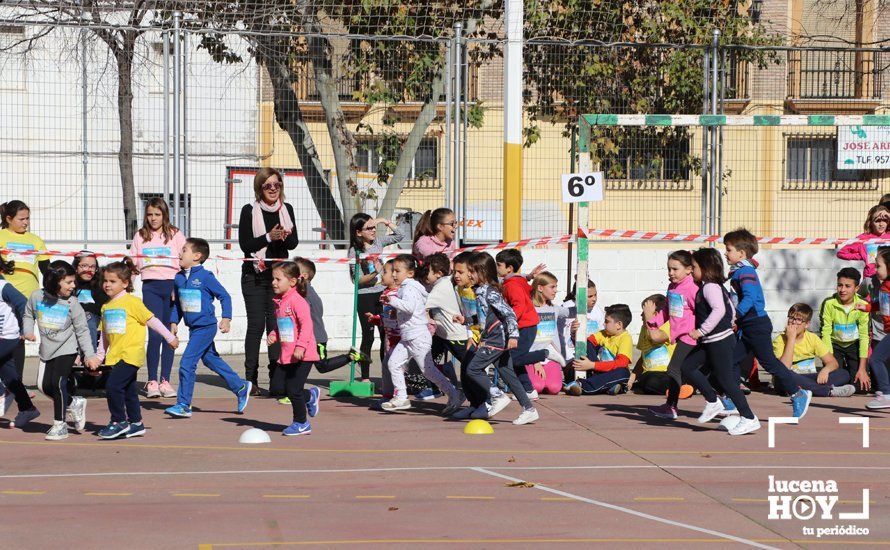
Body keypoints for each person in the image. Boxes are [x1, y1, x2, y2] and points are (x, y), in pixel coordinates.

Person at [664, 248, 760, 435]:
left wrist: (701, 331)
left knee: (726, 381)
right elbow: (730, 309)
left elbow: (719, 310)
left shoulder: (710, 287)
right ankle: (713, 401)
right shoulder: (708, 286)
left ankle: (749, 417)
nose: (692, 270)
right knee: (687, 367)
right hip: (711, 341)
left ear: (705, 267)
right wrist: (731, 322)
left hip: (719, 341)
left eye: (695, 267)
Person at [724, 228, 812, 418]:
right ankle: (731, 399)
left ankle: (798, 393)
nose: (725, 253)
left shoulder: (745, 272)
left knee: (769, 363)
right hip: (748, 326)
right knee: (731, 359)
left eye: (729, 249)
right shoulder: (739, 272)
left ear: (741, 253)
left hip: (756, 325)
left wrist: (735, 316)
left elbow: (749, 297)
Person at [165, 238, 251, 419]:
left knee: (187, 363)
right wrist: (174, 323)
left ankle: (183, 404)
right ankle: (241, 386)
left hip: (206, 327)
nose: (180, 253)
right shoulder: (178, 278)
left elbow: (225, 296)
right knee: (211, 360)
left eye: (184, 250)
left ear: (197, 256)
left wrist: (226, 318)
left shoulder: (205, 277)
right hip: (193, 328)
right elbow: (178, 306)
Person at [95, 258, 179, 439]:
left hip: (130, 354)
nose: (107, 285)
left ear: (125, 283)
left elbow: (153, 320)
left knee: (113, 386)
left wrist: (169, 337)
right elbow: (104, 336)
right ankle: (136, 423)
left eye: (112, 281)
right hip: (115, 356)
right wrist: (99, 356)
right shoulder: (106, 307)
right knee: (128, 390)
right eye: (105, 281)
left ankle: (118, 421)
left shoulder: (132, 302)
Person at [451, 253, 538, 424]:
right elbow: (485, 316)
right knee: (508, 374)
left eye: (472, 272)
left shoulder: (490, 292)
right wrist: (466, 320)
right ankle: (529, 409)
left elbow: (509, 313)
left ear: (482, 272)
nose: (469, 275)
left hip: (496, 339)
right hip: (494, 337)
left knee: (473, 369)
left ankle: (497, 396)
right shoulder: (480, 291)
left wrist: (513, 335)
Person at [23, 261, 101, 440]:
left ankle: (60, 425)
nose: (73, 286)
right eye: (69, 282)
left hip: (67, 347)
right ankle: (74, 402)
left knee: (58, 383)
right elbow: (28, 314)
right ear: (54, 281)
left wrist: (89, 355)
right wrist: (27, 331)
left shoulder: (72, 303)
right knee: (44, 386)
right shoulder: (36, 297)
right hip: (47, 348)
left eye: (74, 282)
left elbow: (82, 330)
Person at [239, 168, 298, 397]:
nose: (273, 189)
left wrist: (284, 235)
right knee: (256, 327)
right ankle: (250, 380)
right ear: (260, 188)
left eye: (277, 184)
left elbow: (293, 243)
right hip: (254, 275)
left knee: (277, 326)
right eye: (268, 185)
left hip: (279, 277)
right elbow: (246, 244)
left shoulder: (287, 210)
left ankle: (277, 378)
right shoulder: (249, 211)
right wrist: (267, 237)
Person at [379, 254, 463, 414]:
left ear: (410, 273)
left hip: (418, 336)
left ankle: (454, 393)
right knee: (393, 363)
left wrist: (392, 301)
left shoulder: (409, 287)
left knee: (428, 371)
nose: (394, 274)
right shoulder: (406, 287)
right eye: (393, 271)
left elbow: (409, 307)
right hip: (408, 337)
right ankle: (401, 397)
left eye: (397, 271)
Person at [131, 197, 186, 398]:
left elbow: (185, 259)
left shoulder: (175, 234)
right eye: (150, 214)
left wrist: (180, 285)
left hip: (171, 287)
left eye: (157, 214)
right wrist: (127, 284)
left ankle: (165, 381)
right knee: (154, 334)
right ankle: (152, 381)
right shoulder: (140, 236)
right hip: (151, 288)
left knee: (169, 333)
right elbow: (133, 264)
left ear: (164, 215)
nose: (153, 218)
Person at [347, 213, 405, 382]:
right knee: (368, 335)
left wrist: (384, 221)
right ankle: (365, 376)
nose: (373, 231)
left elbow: (400, 235)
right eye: (369, 228)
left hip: (381, 294)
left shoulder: (378, 242)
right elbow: (356, 281)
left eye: (374, 227)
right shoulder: (355, 251)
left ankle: (386, 374)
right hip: (365, 296)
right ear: (358, 232)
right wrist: (375, 272)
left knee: (385, 334)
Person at [267, 262, 321, 436]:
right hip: (287, 354)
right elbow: (285, 325)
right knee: (277, 387)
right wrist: (274, 334)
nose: (273, 282)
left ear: (292, 282)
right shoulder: (280, 302)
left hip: (303, 354)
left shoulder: (298, 301)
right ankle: (310, 396)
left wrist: (300, 346)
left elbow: (307, 326)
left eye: (277, 279)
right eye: (273, 279)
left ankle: (301, 423)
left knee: (293, 390)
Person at [0, 200, 48, 379]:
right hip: (4, 299)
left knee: (19, 340)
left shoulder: (35, 240)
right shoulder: (1, 237)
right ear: (9, 218)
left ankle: (16, 384)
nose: (26, 222)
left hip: (27, 299)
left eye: (27, 218)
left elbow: (46, 269)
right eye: (21, 219)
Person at [648, 251, 697, 417]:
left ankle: (672, 406)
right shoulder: (672, 287)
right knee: (685, 370)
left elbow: (702, 312)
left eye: (675, 269)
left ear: (689, 269)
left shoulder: (693, 288)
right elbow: (667, 311)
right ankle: (672, 406)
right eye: (669, 269)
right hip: (681, 337)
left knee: (674, 368)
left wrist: (702, 332)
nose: (670, 273)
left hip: (691, 336)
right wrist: (653, 322)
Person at [496, 249, 548, 399]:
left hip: (524, 327)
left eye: (499, 265)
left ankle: (545, 354)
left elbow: (519, 305)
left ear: (509, 268)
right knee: (513, 360)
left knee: (513, 359)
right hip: (525, 326)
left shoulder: (512, 285)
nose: (497, 268)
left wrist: (509, 322)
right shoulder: (516, 281)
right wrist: (530, 276)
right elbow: (523, 283)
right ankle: (529, 390)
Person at [774, 303, 856, 398]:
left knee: (843, 374)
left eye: (799, 319)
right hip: (790, 378)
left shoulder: (812, 338)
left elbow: (833, 363)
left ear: (807, 324)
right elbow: (784, 368)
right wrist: (791, 339)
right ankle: (828, 391)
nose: (793, 322)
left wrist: (825, 370)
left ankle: (807, 388)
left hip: (809, 376)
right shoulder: (779, 340)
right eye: (791, 318)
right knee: (786, 376)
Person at [421, 253, 469, 396]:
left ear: (438, 273)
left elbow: (420, 306)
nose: (425, 275)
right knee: (429, 359)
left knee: (471, 367)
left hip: (456, 336)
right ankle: (438, 388)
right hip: (445, 335)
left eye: (427, 271)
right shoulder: (446, 281)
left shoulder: (439, 288)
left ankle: (492, 392)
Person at [0, 256, 40, 429]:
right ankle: (27, 408)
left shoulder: (4, 287)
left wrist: (26, 328)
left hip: (7, 337)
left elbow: (23, 303)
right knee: (9, 375)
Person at [819, 267, 870, 392]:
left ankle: (851, 372)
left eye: (848, 286)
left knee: (861, 388)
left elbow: (864, 337)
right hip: (834, 346)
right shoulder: (829, 303)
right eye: (839, 285)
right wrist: (829, 361)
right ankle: (844, 372)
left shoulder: (863, 305)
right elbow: (825, 333)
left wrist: (862, 369)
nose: (842, 290)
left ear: (856, 288)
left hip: (854, 346)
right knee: (834, 381)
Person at [565, 304, 634, 396]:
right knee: (587, 344)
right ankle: (610, 387)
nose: (603, 324)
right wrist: (574, 333)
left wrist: (592, 365)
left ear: (619, 325)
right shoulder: (603, 334)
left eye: (607, 321)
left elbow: (621, 363)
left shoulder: (625, 338)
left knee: (624, 372)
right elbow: (585, 346)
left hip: (611, 373)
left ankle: (581, 385)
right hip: (598, 372)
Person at [71, 251, 110, 390]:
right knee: (85, 315)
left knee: (88, 317)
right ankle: (82, 355)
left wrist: (83, 309)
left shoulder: (98, 284)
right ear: (76, 267)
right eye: (84, 266)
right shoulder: (70, 283)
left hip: (92, 320)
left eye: (92, 267)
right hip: (70, 321)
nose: (88, 270)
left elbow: (102, 305)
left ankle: (88, 356)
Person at [529, 271, 571, 395]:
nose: (555, 290)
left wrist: (582, 297)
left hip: (551, 356)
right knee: (537, 386)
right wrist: (535, 362)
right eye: (552, 287)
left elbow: (572, 312)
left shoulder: (555, 309)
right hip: (532, 357)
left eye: (556, 287)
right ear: (540, 288)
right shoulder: (529, 308)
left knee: (554, 388)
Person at [836, 204, 890, 292]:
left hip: (888, 279)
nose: (881, 224)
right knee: (871, 304)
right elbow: (841, 253)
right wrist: (861, 255)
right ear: (870, 222)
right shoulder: (863, 238)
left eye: (885, 220)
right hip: (871, 278)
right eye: (877, 221)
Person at [862, 248, 890, 410]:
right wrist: (867, 308)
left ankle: (886, 394)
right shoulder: (884, 286)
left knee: (875, 359)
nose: (875, 269)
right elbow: (883, 305)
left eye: (878, 266)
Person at [629, 294, 674, 396]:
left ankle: (676, 390)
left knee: (651, 382)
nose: (641, 316)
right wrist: (632, 377)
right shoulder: (644, 329)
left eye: (644, 312)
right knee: (642, 383)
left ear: (656, 314)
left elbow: (655, 337)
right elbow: (643, 357)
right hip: (648, 374)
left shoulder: (668, 325)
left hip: (665, 373)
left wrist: (649, 317)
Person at [562, 279, 605, 377]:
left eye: (595, 295)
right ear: (578, 296)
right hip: (571, 357)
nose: (594, 299)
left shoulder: (598, 311)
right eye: (590, 296)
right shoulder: (567, 309)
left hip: (592, 356)